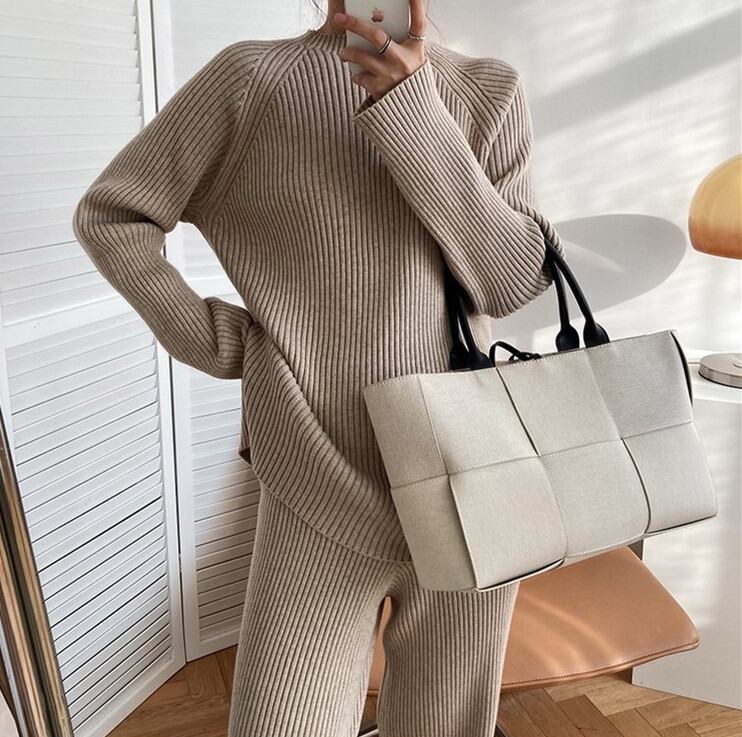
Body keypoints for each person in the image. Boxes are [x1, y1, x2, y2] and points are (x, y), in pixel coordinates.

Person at [72, 0, 565, 734]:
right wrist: (219, 340)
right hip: (319, 472)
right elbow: (113, 214)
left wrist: (413, 112)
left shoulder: (488, 90)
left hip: (471, 477)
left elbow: (512, 281)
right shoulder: (249, 81)